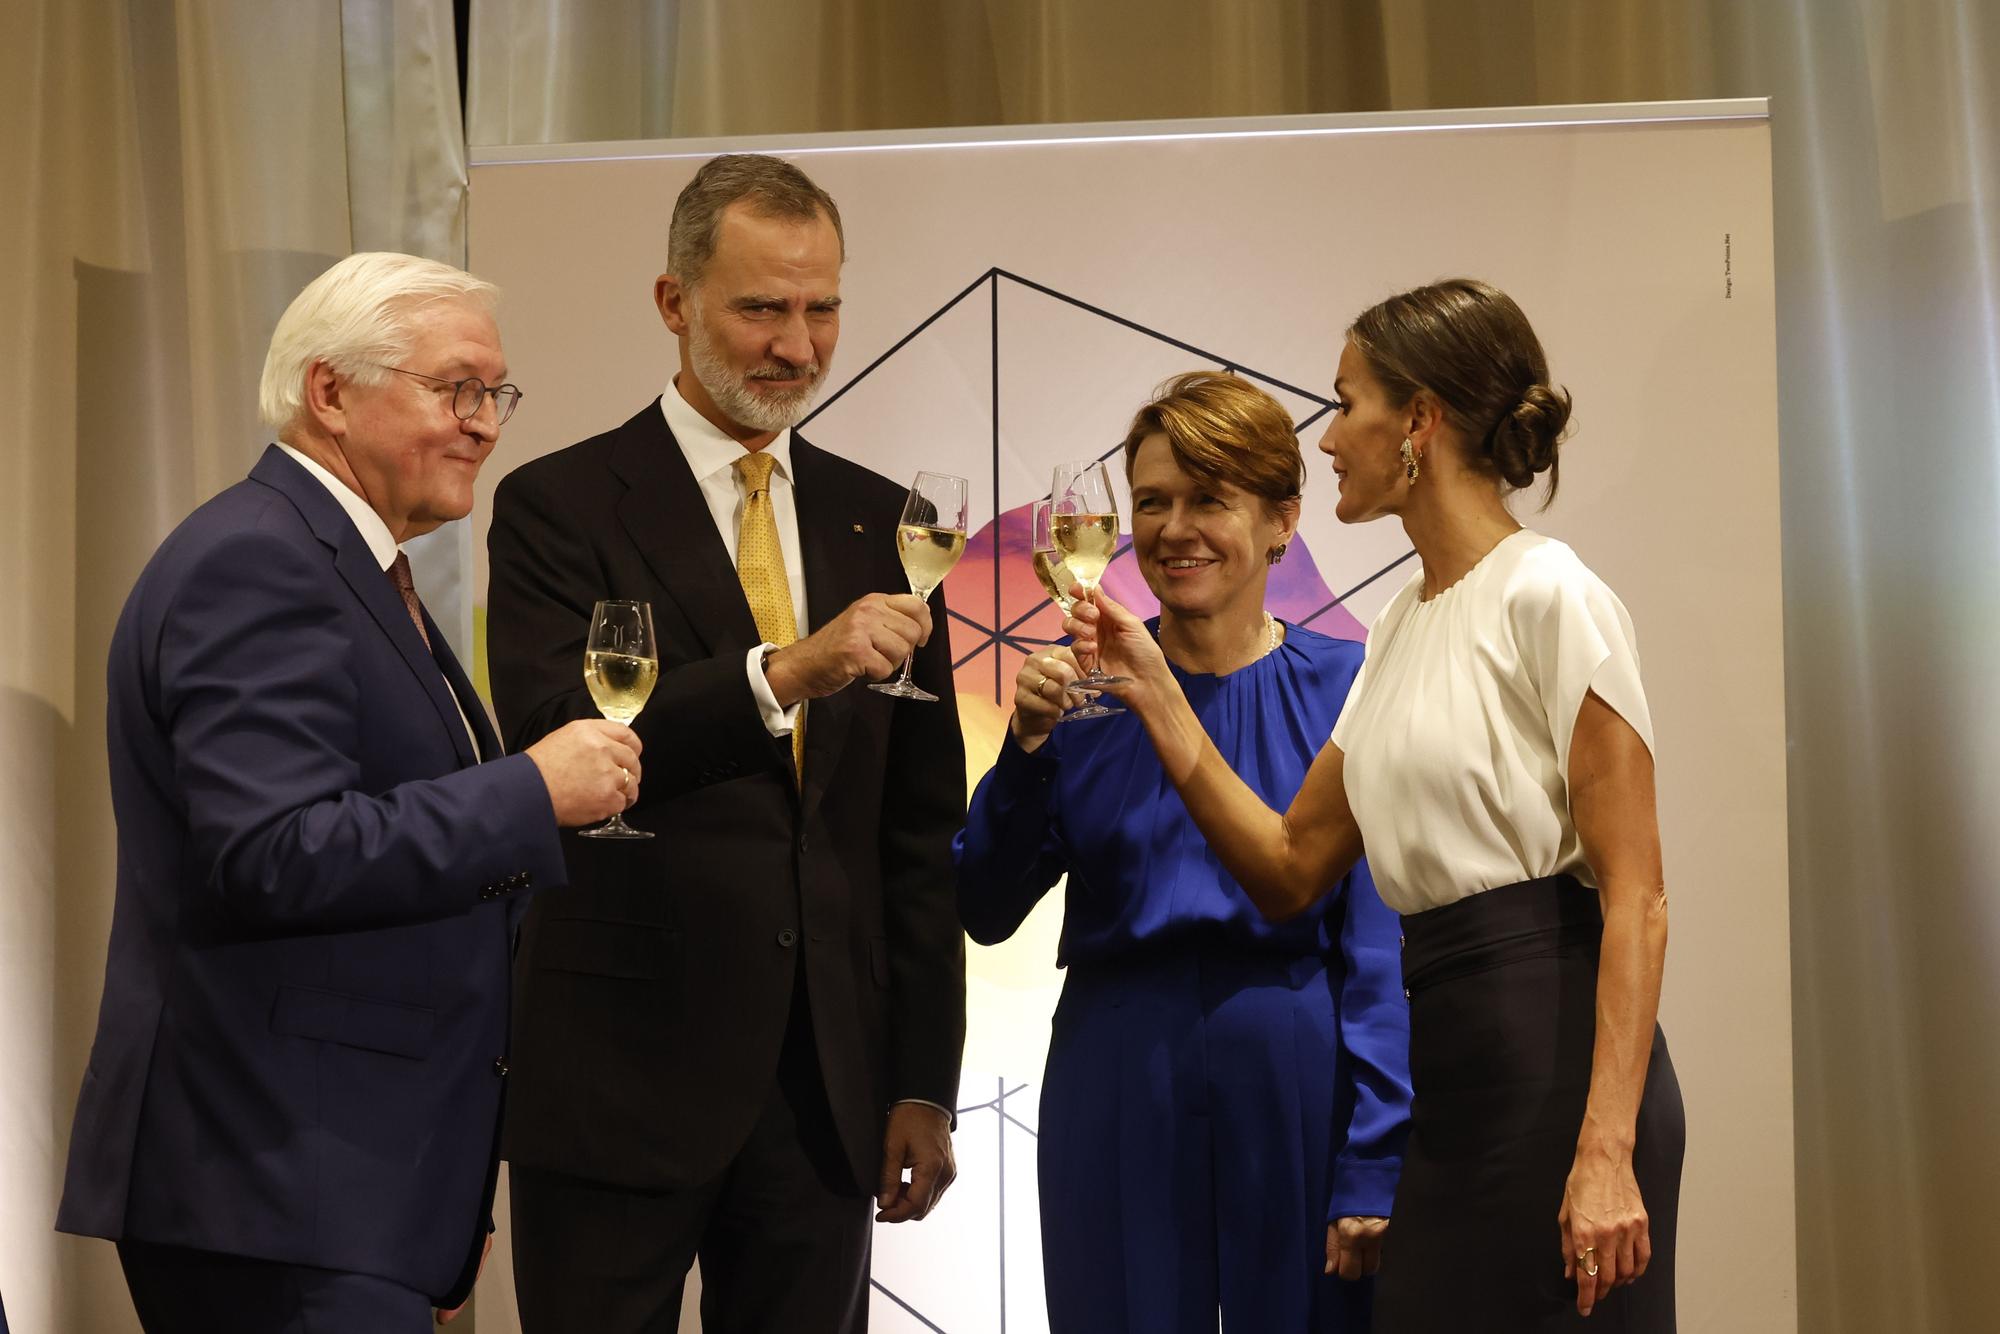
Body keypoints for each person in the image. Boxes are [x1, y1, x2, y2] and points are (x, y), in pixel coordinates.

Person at [1070, 280, 1685, 1331]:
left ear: (1417, 422)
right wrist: (1155, 692)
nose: (1325, 436)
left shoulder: (1553, 593)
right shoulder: (1398, 623)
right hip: (1448, 1093)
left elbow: (1637, 897)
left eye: (1344, 401)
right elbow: (1286, 862)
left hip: (1555, 1079)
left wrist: (1604, 1151)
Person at [55, 252, 643, 1332]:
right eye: (454, 388)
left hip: (349, 1190)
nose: (484, 423)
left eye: (495, 394)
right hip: (274, 1184)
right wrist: (527, 789)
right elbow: (274, 849)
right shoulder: (258, 559)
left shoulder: (347, 568)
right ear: (329, 391)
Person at [487, 153, 966, 1334]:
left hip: (822, 1095)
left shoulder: (886, 521)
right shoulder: (560, 503)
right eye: (761, 308)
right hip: (616, 1081)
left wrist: (919, 1077)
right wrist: (785, 670)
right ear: (673, 303)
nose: (796, 347)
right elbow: (560, 739)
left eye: (821, 308)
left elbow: (915, 834)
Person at [955, 372, 1412, 1333]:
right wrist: (1027, 751)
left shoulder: (1352, 682)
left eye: (1210, 498)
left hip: (1296, 1064)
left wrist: (1375, 1151)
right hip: (1116, 1073)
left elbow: (1378, 948)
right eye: (1154, 502)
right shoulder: (1080, 696)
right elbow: (983, 907)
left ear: (1283, 520)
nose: (1175, 529)